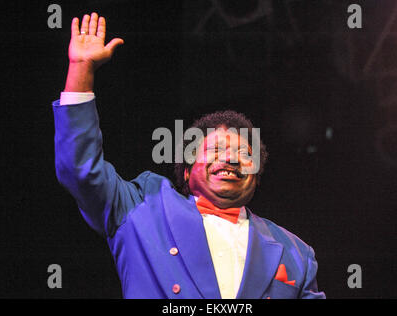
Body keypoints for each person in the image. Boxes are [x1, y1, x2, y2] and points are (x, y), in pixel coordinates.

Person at [53, 12, 326, 299]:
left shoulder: (296, 252)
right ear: (186, 171)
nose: (230, 160)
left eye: (243, 153)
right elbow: (80, 168)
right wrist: (81, 68)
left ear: (256, 174)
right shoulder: (143, 208)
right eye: (217, 150)